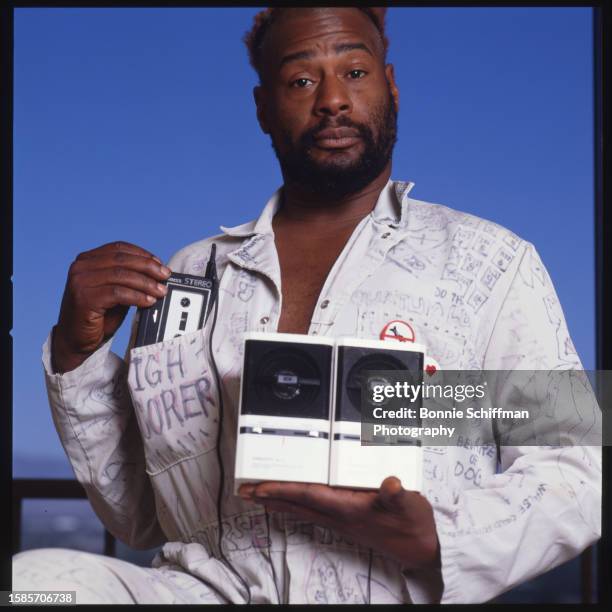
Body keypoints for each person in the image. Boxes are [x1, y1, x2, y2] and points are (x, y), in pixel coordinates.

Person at [13, 7, 601, 604]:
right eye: (301, 80)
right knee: (31, 586)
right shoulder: (193, 271)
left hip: (391, 592)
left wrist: (439, 537)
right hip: (204, 590)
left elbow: (578, 473)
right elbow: (141, 516)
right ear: (263, 107)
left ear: (390, 86)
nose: (332, 101)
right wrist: (76, 351)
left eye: (354, 71)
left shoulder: (490, 264)